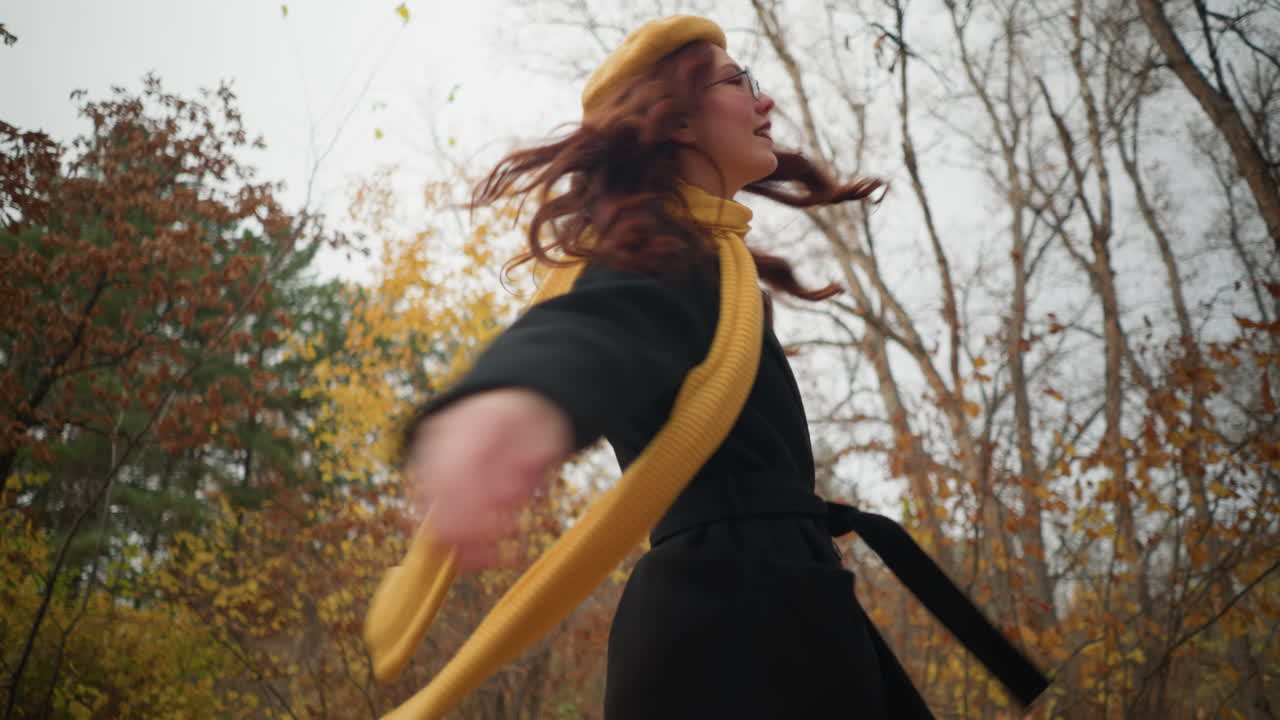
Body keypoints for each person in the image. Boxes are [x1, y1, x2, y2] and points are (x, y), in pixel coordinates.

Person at [386, 14, 1047, 719]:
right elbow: (601, 323)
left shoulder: (713, 259)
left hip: (772, 603)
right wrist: (518, 399)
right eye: (741, 83)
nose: (766, 103)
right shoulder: (663, 252)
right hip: (736, 628)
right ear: (678, 121)